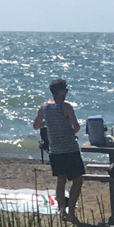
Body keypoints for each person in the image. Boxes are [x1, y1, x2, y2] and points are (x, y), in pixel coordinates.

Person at [33, 79, 84, 218]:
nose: (66, 93)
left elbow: (36, 125)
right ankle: (71, 211)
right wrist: (68, 131)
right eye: (65, 90)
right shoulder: (66, 106)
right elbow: (76, 127)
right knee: (77, 180)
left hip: (55, 150)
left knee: (60, 181)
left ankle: (62, 210)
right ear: (60, 91)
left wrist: (50, 122)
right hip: (70, 149)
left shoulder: (43, 107)